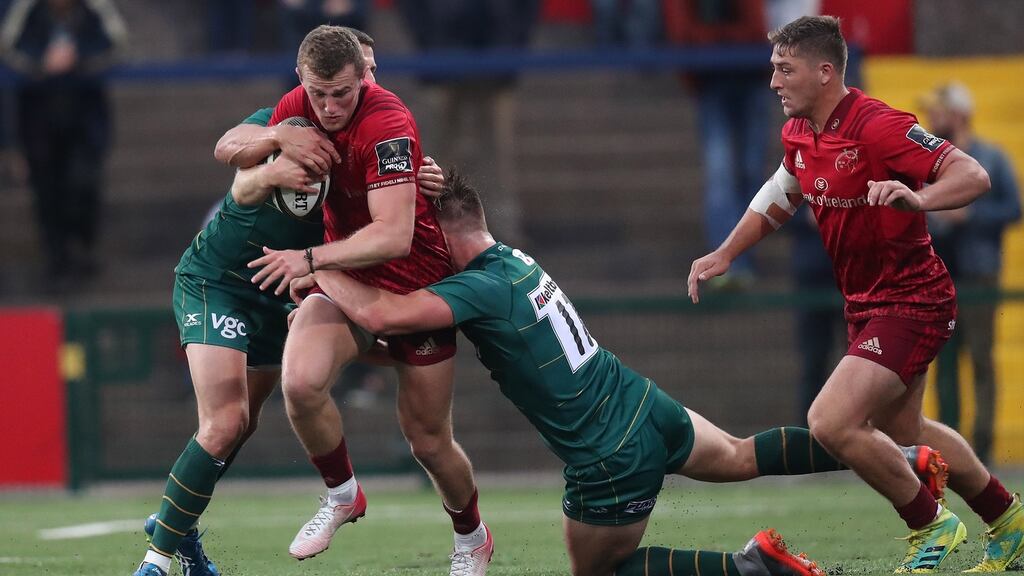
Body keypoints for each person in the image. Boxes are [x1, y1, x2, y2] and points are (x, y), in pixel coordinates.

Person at [687, 16, 1023, 573]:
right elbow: (784, 192)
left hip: (913, 300)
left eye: (784, 69)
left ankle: (930, 524)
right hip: (866, 302)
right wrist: (727, 252)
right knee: (904, 432)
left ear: (824, 73)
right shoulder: (799, 131)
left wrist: (919, 200)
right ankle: (1008, 521)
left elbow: (974, 176)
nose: (773, 81)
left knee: (831, 420)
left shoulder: (879, 126)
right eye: (772, 68)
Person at [130, 31, 447, 576]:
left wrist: (425, 185)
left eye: (367, 76)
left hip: (286, 292)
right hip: (223, 279)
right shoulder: (291, 123)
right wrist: (272, 157)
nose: (349, 95)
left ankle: (176, 531)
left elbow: (389, 216)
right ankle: (158, 559)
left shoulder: (380, 137)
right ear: (307, 82)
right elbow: (231, 151)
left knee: (242, 424)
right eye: (331, 88)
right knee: (225, 423)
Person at [244, 25, 491, 575]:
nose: (328, 108)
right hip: (346, 279)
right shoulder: (298, 106)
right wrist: (275, 141)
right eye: (318, 94)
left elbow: (393, 237)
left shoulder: (388, 123)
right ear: (302, 80)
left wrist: (308, 261)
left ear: (363, 80)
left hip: (415, 285)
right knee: (301, 383)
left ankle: (471, 534)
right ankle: (341, 494)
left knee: (428, 441)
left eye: (342, 93)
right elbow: (228, 147)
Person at [922, 82, 1022, 465]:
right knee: (943, 361)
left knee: (980, 358)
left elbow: (1013, 208)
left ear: (958, 114)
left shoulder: (991, 159)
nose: (932, 118)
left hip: (978, 273)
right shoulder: (931, 162)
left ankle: (982, 447)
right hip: (940, 273)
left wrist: (970, 215)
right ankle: (950, 447)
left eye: (938, 110)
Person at [0, 0, 127, 286]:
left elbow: (116, 44)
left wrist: (77, 58)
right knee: (47, 193)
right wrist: (42, 62)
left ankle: (83, 249)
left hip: (84, 121)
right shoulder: (28, 10)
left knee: (83, 184)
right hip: (39, 122)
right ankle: (56, 259)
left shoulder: (94, 8)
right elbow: (9, 49)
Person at [664, 0, 772, 288]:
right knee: (720, 173)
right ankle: (726, 264)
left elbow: (757, 28)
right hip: (711, 81)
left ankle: (743, 259)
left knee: (751, 172)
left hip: (752, 78)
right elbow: (683, 33)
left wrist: (718, 40)